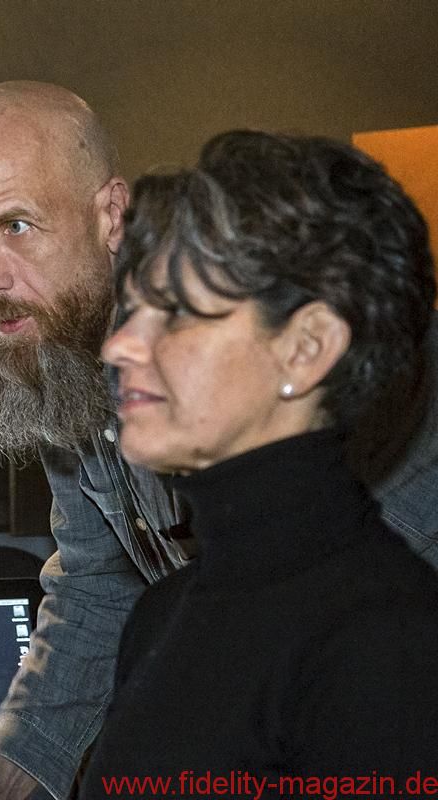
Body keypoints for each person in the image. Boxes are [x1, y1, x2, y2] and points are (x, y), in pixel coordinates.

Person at [0, 81, 438, 800]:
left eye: (15, 226)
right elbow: (99, 584)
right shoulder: (169, 616)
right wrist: (4, 775)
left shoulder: (376, 621)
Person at [79, 130, 438, 794]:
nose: (120, 346)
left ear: (307, 347)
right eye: (132, 310)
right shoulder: (161, 616)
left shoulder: (389, 639)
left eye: (175, 313)